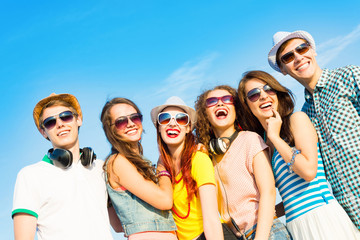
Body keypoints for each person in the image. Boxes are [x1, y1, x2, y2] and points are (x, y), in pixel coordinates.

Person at [238, 70, 360, 239]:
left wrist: (276, 137)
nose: (264, 96)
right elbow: (289, 194)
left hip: (322, 217)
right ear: (246, 105)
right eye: (254, 94)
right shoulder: (263, 144)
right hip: (295, 226)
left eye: (268, 89)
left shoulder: (297, 120)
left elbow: (309, 172)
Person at [268, 30, 360, 229]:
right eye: (288, 56)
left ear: (313, 50)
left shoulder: (350, 75)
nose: (298, 57)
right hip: (349, 215)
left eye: (302, 48)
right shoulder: (304, 115)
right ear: (283, 69)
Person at [12, 93, 114, 240]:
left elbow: (118, 225)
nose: (60, 124)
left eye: (66, 116)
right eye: (50, 122)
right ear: (43, 132)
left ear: (78, 119)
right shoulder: (30, 175)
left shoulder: (101, 167)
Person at [195, 86, 291, 239]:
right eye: (212, 101)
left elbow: (268, 192)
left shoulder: (250, 139)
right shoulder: (208, 156)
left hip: (265, 233)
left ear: (236, 109)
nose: (220, 104)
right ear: (204, 114)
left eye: (227, 100)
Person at [100, 97, 177, 240]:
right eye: (121, 121)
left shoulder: (137, 162)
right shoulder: (118, 162)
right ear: (110, 130)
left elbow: (117, 226)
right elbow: (165, 200)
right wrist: (162, 168)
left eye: (135, 118)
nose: (130, 124)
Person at [151, 96, 225, 240]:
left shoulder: (198, 159)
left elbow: (211, 218)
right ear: (159, 127)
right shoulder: (163, 171)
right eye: (165, 118)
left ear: (188, 128)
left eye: (181, 119)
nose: (173, 123)